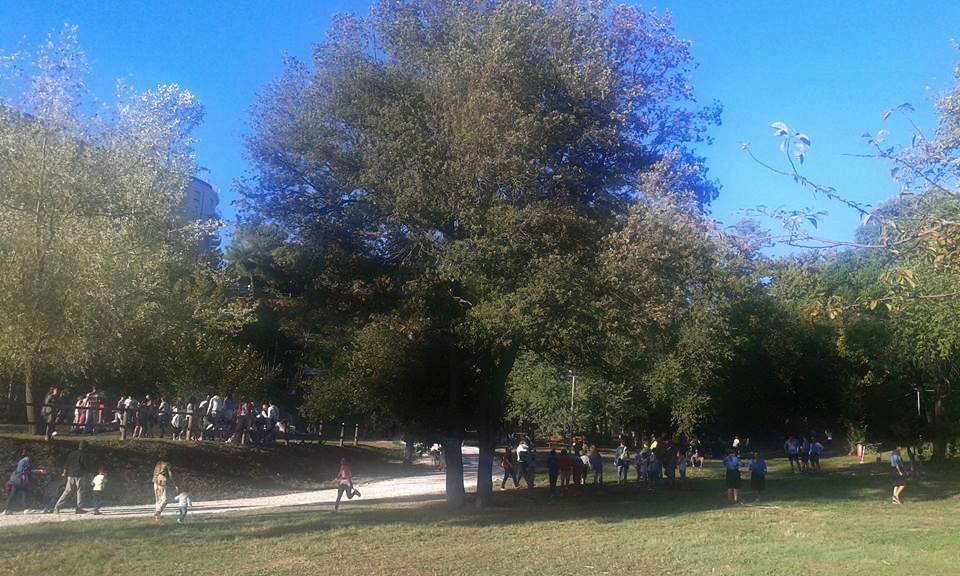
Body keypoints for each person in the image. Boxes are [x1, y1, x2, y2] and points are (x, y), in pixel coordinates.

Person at [54, 441, 90, 514]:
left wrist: (64, 472)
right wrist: (90, 473)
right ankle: (79, 508)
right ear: (85, 447)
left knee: (67, 491)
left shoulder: (72, 454)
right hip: (79, 475)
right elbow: (86, 466)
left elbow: (66, 464)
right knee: (80, 491)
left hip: (70, 475)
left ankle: (57, 507)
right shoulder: (83, 454)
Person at [4, 449, 34, 515]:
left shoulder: (21, 461)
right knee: (26, 493)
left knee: (13, 495)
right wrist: (23, 475)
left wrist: (39, 471)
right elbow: (26, 469)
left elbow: (23, 470)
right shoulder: (27, 460)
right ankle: (26, 509)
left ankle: (7, 510)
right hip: (20, 480)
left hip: (15, 479)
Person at [153, 454, 175, 519]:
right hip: (162, 480)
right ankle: (158, 512)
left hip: (155, 480)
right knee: (164, 499)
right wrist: (173, 482)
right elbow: (170, 474)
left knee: (158, 499)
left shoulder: (158, 463)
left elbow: (155, 472)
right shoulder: (167, 464)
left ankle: (157, 516)